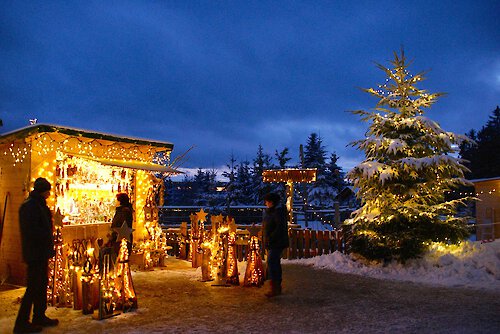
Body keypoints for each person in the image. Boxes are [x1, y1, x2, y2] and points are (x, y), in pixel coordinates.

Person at [14, 178, 59, 333]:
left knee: (41, 285)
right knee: (33, 287)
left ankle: (39, 315)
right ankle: (21, 322)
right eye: (48, 190)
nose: (49, 193)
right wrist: (45, 240)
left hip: (40, 251)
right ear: (43, 190)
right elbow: (33, 230)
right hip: (35, 253)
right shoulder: (31, 206)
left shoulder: (38, 204)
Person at [262, 192, 289, 297]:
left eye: (267, 201)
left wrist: (270, 237)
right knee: (273, 262)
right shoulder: (271, 212)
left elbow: (279, 228)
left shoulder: (278, 212)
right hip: (273, 242)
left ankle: (275, 287)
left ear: (271, 202)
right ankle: (275, 286)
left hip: (276, 242)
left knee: (272, 262)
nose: (265, 203)